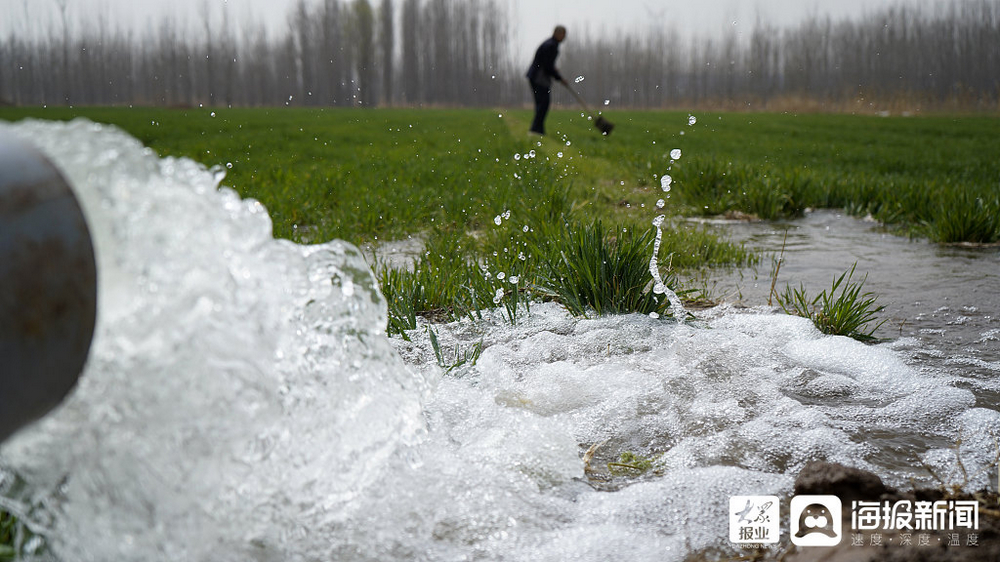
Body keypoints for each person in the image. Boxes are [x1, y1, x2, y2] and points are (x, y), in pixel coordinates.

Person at [526, 25, 568, 136]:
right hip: (539, 78)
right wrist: (559, 78)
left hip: (536, 76)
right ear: (558, 34)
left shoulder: (550, 44)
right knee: (543, 103)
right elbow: (547, 65)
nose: (564, 37)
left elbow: (547, 63)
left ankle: (538, 130)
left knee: (541, 104)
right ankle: (535, 130)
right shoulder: (551, 46)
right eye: (563, 34)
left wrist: (554, 71)